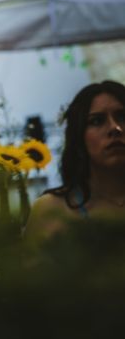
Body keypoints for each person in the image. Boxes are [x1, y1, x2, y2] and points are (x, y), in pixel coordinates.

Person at [26, 80, 125, 241]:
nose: (115, 128)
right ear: (79, 136)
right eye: (97, 121)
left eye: (122, 117)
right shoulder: (51, 210)